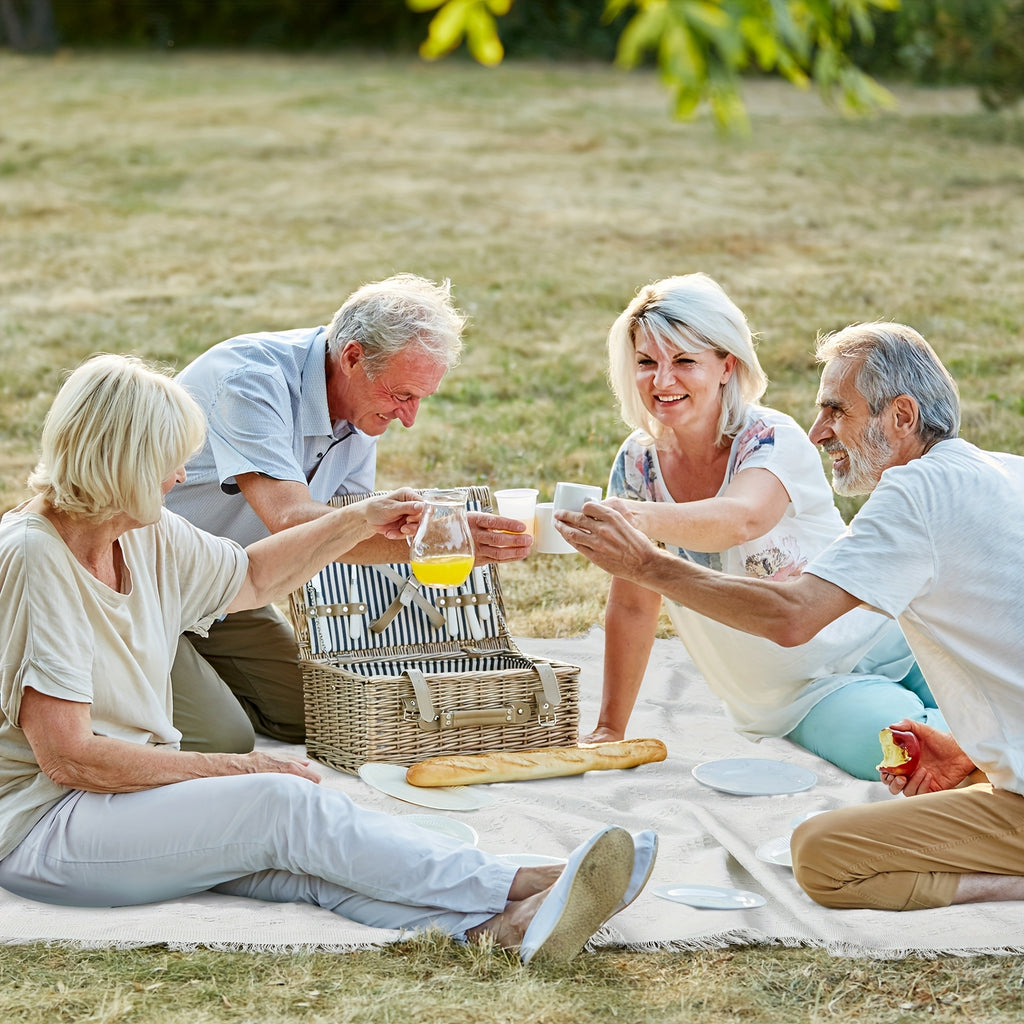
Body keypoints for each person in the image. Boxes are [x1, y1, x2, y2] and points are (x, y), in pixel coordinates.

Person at [0, 353, 656, 964]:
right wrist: (235, 768)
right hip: (45, 826)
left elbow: (252, 577)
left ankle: (502, 927)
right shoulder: (34, 557)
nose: (179, 478)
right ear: (122, 461)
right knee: (280, 806)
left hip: (126, 803)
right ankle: (522, 879)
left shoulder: (140, 531)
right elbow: (69, 757)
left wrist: (358, 519)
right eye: (169, 463)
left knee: (307, 866)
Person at [557, 320, 1024, 912]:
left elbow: (793, 617)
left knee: (822, 856)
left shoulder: (915, 493)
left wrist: (648, 565)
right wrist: (967, 749)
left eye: (836, 410)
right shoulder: (1006, 470)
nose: (818, 431)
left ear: (902, 416)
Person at [581, 274, 943, 779]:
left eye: (684, 361)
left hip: (889, 635)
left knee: (1002, 703)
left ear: (727, 365)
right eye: (646, 362)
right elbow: (633, 604)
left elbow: (741, 518)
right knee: (907, 754)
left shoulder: (771, 437)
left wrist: (633, 517)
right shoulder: (637, 465)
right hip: (800, 691)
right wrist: (608, 729)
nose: (662, 381)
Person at [165, 274, 532, 753]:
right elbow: (291, 519)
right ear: (353, 357)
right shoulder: (251, 381)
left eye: (420, 398)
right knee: (223, 737)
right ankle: (121, 677)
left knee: (323, 712)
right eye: (402, 395)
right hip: (146, 580)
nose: (409, 418)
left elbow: (341, 538)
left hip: (227, 586)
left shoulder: (361, 409)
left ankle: (182, 671)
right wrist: (432, 540)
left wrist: (442, 545)